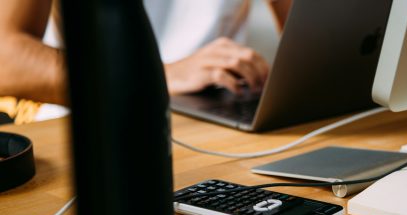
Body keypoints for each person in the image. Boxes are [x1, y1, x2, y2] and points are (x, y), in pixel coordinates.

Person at [0, 0, 292, 123]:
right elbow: (6, 58)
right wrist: (157, 76)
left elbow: (314, 39)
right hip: (97, 123)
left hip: (220, 115)